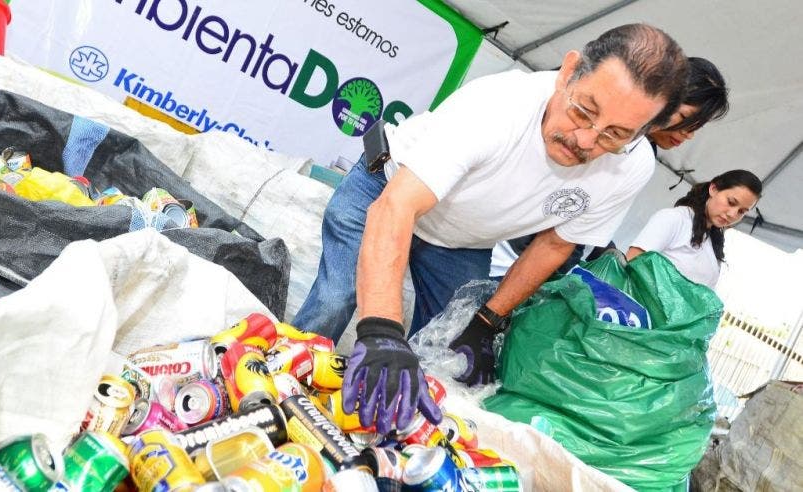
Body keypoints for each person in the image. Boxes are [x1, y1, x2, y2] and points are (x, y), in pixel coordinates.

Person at [293, 24, 689, 433]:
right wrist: (381, 332)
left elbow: (555, 245)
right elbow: (396, 207)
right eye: (584, 111)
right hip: (388, 189)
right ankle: (280, 382)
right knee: (337, 298)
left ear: (645, 131)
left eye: (616, 134)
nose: (587, 140)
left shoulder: (631, 166)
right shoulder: (498, 105)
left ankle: (387, 435)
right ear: (568, 71)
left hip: (464, 239)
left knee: (445, 348)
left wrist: (488, 320)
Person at [491, 56, 731, 278]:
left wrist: (600, 252)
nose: (688, 134)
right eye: (684, 118)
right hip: (499, 240)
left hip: (538, 261)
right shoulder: (577, 102)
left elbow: (585, 211)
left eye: (696, 127)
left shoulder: (643, 155)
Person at [627, 170, 762, 288]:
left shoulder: (714, 245)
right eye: (731, 202)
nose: (732, 214)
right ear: (713, 189)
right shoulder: (674, 219)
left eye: (741, 211)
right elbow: (631, 264)